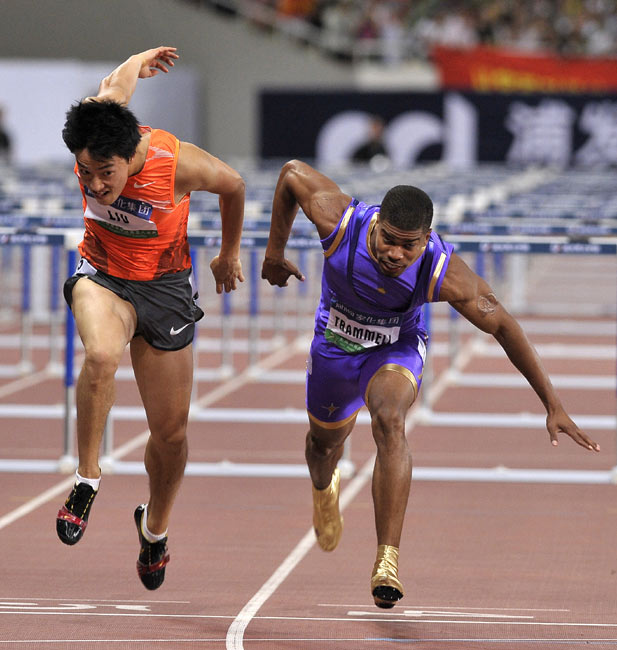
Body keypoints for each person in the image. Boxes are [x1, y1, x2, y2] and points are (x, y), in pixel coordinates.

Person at [261, 159, 600, 609]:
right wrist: (273, 253)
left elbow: (504, 326)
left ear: (426, 239)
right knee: (322, 448)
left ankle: (387, 562)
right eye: (388, 240)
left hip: (394, 349)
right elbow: (290, 174)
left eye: (409, 246)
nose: (395, 254)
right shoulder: (340, 221)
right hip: (334, 348)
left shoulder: (442, 269)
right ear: (377, 224)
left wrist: (552, 403)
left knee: (390, 420)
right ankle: (325, 489)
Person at [55, 46, 245, 590]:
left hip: (165, 290)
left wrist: (228, 253)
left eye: (105, 173)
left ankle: (154, 528)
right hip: (103, 275)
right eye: (85, 172)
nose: (95, 185)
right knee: (100, 355)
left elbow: (233, 185)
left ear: (129, 153)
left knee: (171, 435)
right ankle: (87, 479)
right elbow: (116, 81)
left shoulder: (176, 162)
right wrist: (140, 59)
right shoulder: (100, 118)